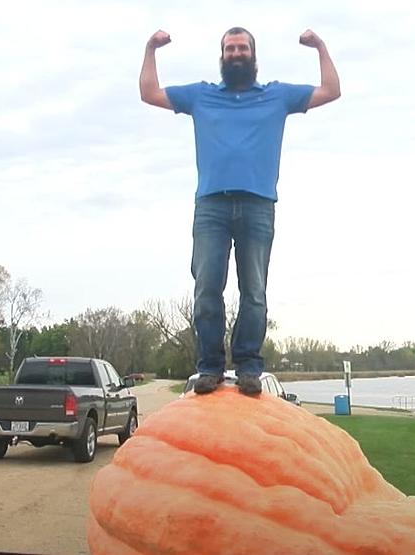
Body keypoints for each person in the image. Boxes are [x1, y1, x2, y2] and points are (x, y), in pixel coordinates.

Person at [139, 26, 340, 395]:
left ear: (253, 55)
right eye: (229, 48)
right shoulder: (201, 95)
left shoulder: (277, 95)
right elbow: (149, 93)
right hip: (211, 206)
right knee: (206, 289)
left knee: (254, 291)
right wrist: (151, 48)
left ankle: (249, 365)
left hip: (258, 205)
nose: (235, 53)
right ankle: (211, 368)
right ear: (222, 56)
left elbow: (331, 90)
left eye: (241, 47)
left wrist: (320, 47)